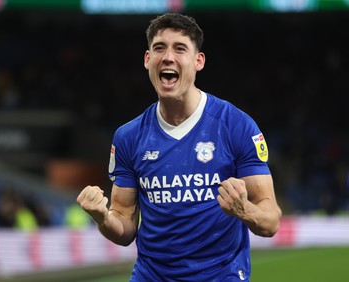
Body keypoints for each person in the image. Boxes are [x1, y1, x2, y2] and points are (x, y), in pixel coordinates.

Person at [77, 13, 282, 281]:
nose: (168, 57)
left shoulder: (235, 126)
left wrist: (245, 210)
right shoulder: (128, 137)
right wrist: (103, 218)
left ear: (199, 61)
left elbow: (271, 222)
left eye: (180, 48)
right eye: (159, 47)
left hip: (220, 276)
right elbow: (125, 227)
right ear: (147, 60)